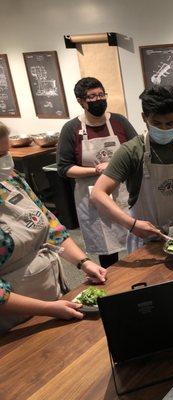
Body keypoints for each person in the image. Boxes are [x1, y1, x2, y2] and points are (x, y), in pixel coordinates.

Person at [0, 122, 107, 334]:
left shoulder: (11, 180)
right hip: (14, 322)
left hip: (54, 298)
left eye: (5, 152)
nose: (5, 161)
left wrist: (83, 263)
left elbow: (51, 226)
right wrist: (49, 309)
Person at [90, 85, 173, 252]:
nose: (163, 129)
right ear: (144, 117)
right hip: (146, 240)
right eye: (156, 123)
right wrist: (132, 225)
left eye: (170, 123)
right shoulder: (132, 151)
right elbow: (98, 194)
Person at [57, 77, 137, 267]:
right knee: (106, 248)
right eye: (92, 97)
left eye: (101, 95)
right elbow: (64, 168)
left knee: (134, 240)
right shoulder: (71, 129)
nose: (98, 100)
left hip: (123, 192)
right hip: (91, 196)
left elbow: (136, 151)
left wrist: (114, 165)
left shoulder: (119, 121)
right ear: (80, 101)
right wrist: (95, 170)